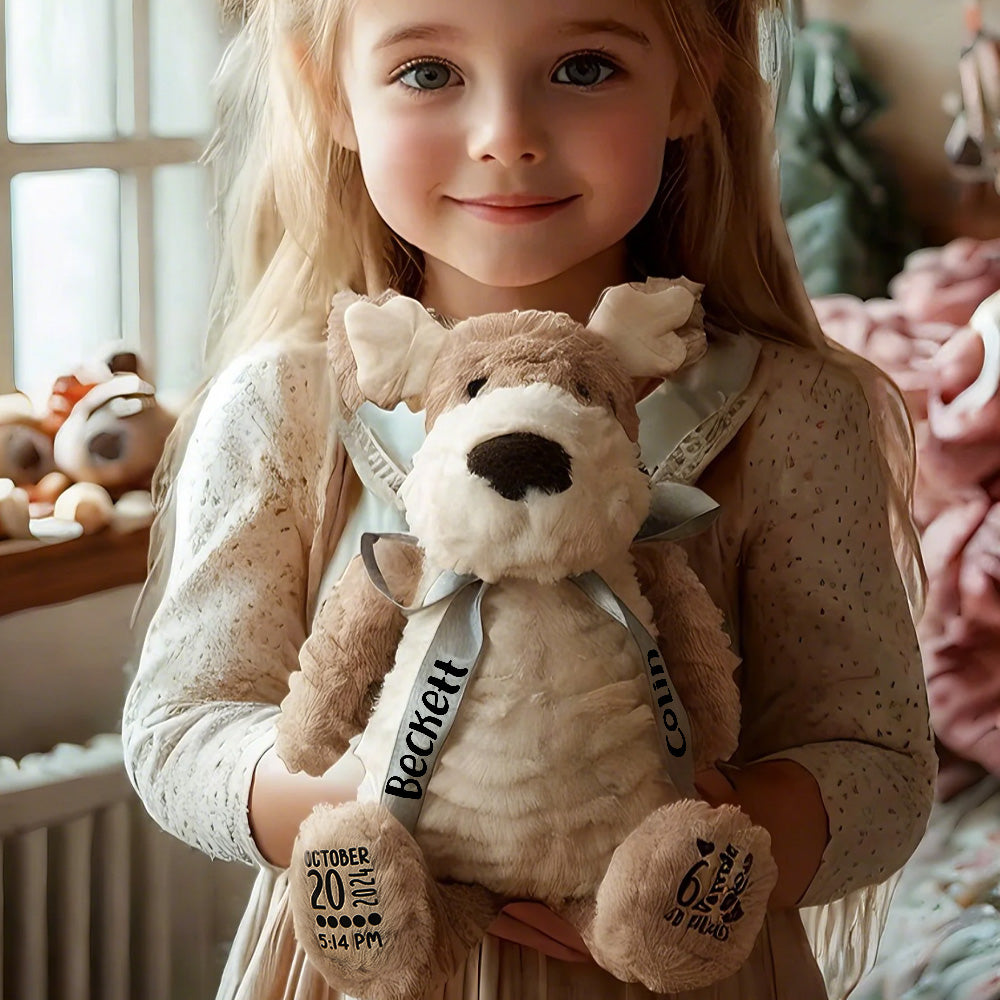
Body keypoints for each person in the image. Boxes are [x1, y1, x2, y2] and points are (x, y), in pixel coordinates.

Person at [122, 0, 937, 997]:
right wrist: (388, 799)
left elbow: (879, 764)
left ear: (690, 82)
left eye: (584, 67)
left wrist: (694, 867)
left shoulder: (793, 413)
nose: (505, 135)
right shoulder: (283, 406)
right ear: (328, 93)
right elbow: (180, 729)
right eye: (428, 72)